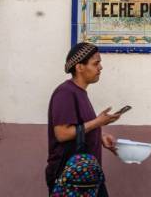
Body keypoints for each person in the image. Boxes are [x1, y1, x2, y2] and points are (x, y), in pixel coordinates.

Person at [45, 42, 122, 196]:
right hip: (71, 178)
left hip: (88, 175)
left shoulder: (80, 93)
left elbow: (80, 127)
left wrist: (100, 137)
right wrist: (98, 122)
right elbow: (62, 133)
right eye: (96, 63)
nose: (100, 68)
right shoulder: (65, 93)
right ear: (79, 67)